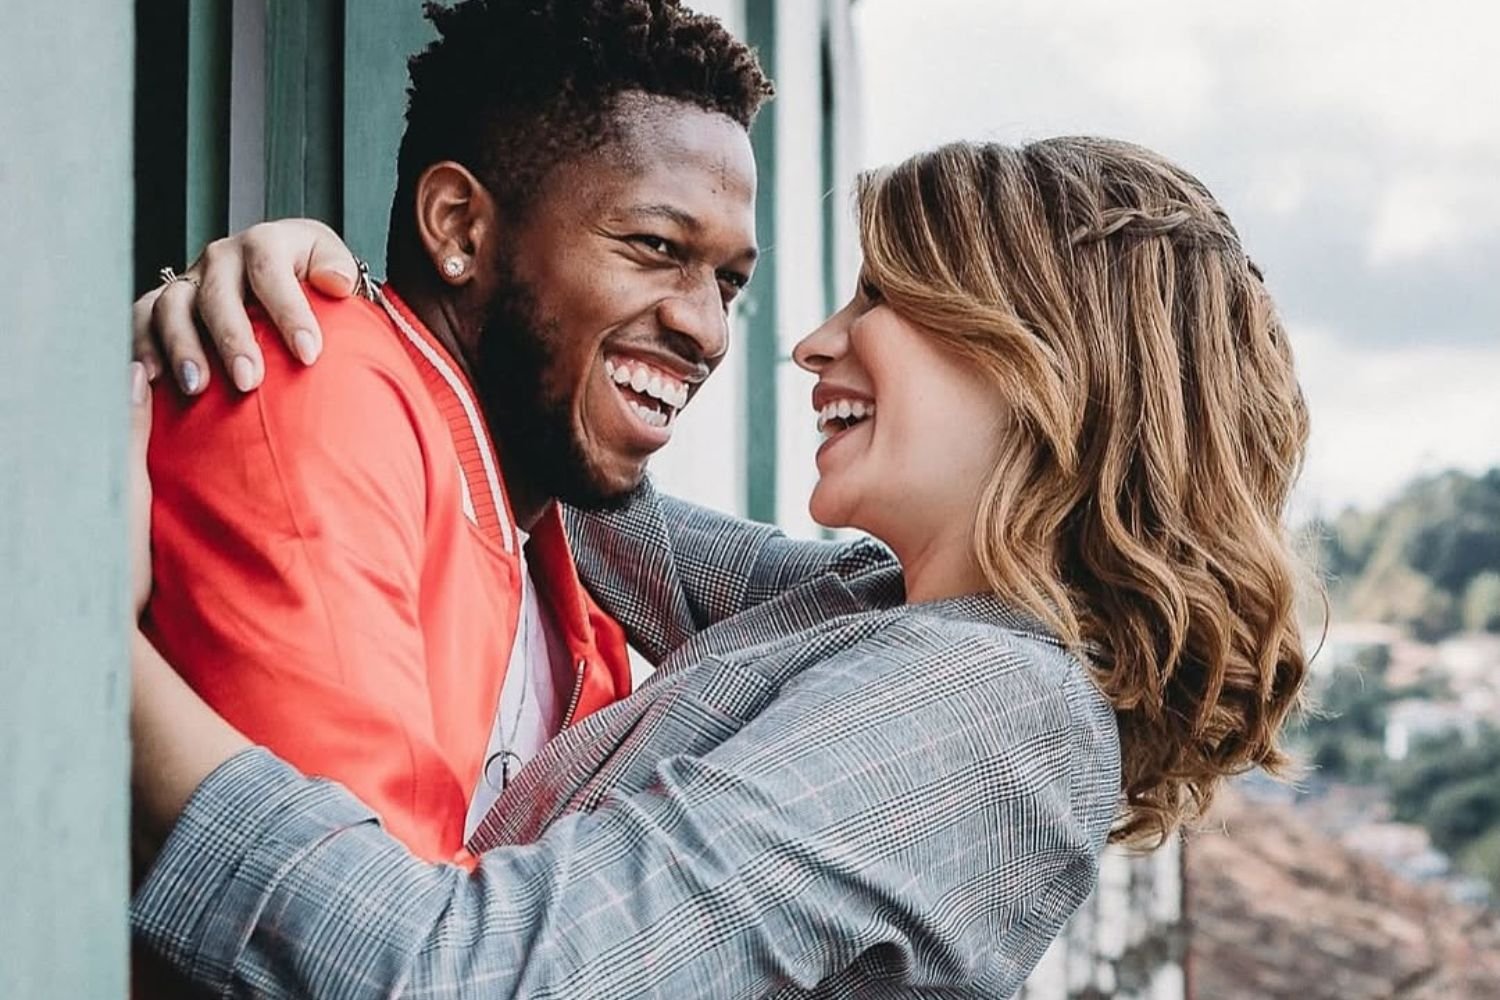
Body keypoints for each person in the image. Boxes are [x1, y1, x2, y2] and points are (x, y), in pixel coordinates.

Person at [127, 135, 1311, 998]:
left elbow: (474, 979)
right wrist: (346, 299)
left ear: (1041, 364)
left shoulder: (995, 708)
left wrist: (85, 649)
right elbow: (567, 469)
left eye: (885, 297)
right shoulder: (873, 608)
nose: (812, 343)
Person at [134, 0, 771, 867]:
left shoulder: (568, 583)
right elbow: (355, 936)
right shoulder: (313, 389)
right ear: (458, 227)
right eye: (656, 245)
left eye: (729, 284)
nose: (708, 330)